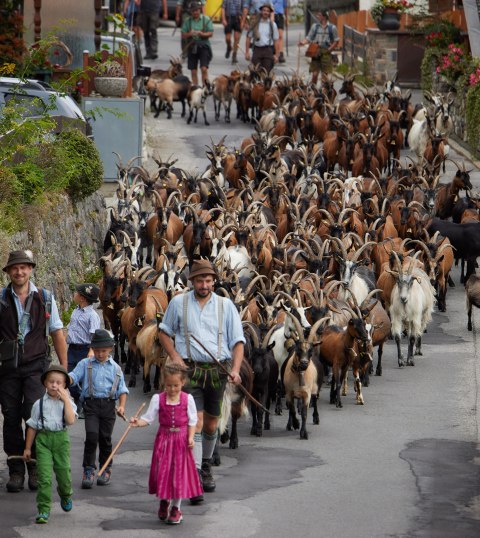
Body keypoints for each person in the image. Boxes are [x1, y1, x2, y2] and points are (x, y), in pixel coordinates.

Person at [158, 259, 245, 503]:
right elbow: (164, 332)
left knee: (211, 424)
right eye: (199, 280)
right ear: (192, 282)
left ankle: (206, 464)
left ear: (213, 281)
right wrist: (175, 355)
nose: (204, 285)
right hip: (189, 371)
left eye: (208, 281)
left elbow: (238, 341)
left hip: (218, 372)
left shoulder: (226, 306)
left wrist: (236, 369)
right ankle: (195, 475)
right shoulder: (178, 303)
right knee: (194, 423)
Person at [0, 249, 67, 494]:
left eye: (24, 267)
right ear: (8, 272)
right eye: (14, 268)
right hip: (7, 369)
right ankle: (16, 469)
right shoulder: (1, 299)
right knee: (10, 416)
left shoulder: (45, 298)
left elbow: (57, 332)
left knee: (34, 414)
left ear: (30, 269)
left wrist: (63, 370)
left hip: (36, 366)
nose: (19, 271)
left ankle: (36, 467)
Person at [129, 363, 203, 525]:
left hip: (181, 441)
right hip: (164, 440)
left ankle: (176, 508)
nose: (172, 389)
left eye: (176, 385)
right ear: (164, 382)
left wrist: (191, 437)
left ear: (182, 383)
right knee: (164, 473)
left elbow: (193, 420)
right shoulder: (158, 399)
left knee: (178, 476)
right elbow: (148, 419)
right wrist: (136, 422)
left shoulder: (187, 399)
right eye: (169, 385)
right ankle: (164, 501)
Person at [69, 329, 128, 489]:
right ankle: (88, 469)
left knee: (105, 438)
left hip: (109, 406)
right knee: (92, 436)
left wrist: (121, 406)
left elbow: (122, 390)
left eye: (103, 350)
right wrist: (65, 378)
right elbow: (73, 377)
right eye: (97, 350)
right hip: (91, 405)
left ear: (110, 349)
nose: (100, 354)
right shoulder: (85, 364)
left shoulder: (116, 368)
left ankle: (105, 468)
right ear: (92, 349)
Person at [24, 364, 77, 524]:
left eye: (59, 382)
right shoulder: (38, 404)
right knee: (44, 478)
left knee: (64, 475)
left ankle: (66, 494)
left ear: (65, 385)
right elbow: (32, 427)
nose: (55, 385)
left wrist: (66, 399)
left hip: (61, 440)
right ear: (45, 383)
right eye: (51, 382)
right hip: (44, 441)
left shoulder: (67, 402)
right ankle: (43, 509)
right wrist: (27, 448)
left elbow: (70, 420)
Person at [66, 283, 101, 418]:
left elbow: (94, 335)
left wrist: (91, 350)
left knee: (83, 379)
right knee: (68, 377)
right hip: (72, 349)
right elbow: (70, 328)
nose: (74, 295)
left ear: (82, 298)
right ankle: (80, 399)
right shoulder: (76, 311)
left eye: (76, 293)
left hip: (84, 349)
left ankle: (85, 405)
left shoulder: (92, 315)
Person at [298, 9, 339, 85]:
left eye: (319, 15)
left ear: (324, 17)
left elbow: (336, 41)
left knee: (325, 75)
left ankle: (323, 92)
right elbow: (309, 38)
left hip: (326, 52)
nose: (317, 16)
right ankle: (313, 89)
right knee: (314, 74)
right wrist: (303, 42)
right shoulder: (315, 27)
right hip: (316, 51)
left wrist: (330, 49)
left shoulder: (332, 28)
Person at [181, 2, 214, 86]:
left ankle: (205, 87)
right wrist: (190, 34)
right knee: (193, 70)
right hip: (192, 47)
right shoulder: (187, 21)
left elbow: (210, 33)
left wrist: (202, 34)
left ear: (200, 10)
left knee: (204, 68)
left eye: (197, 10)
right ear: (191, 12)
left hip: (203, 46)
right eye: (193, 11)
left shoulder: (206, 19)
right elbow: (183, 35)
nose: (195, 12)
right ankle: (196, 87)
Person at [245, 3, 280, 73]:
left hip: (268, 50)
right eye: (264, 10)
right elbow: (248, 38)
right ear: (261, 11)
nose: (265, 12)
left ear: (270, 13)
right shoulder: (255, 23)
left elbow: (276, 40)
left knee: (267, 74)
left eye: (267, 11)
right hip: (257, 50)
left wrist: (277, 55)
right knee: (255, 72)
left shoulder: (273, 25)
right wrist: (247, 52)